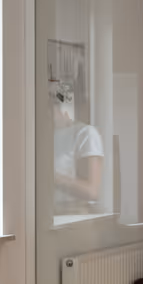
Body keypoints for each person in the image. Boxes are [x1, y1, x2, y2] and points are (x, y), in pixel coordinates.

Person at [51, 80, 104, 216]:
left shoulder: (85, 133)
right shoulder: (43, 136)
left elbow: (91, 191)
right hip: (48, 217)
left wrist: (50, 177)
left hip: (74, 217)